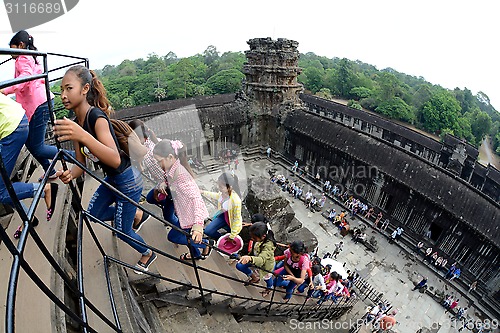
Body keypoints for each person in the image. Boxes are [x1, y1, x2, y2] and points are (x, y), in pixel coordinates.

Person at [54, 65, 155, 274]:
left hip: (127, 180)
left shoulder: (96, 117)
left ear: (84, 89)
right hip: (113, 180)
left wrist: (83, 136)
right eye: (61, 90)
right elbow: (81, 163)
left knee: (121, 230)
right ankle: (135, 214)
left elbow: (115, 159)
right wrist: (69, 174)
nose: (63, 95)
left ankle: (147, 253)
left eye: (69, 88)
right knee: (93, 214)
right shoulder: (77, 122)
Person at [1, 30, 74, 181]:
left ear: (20, 45)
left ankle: (76, 159)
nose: (10, 54)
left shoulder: (22, 58)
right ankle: (51, 170)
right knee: (30, 143)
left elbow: (25, 78)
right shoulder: (31, 56)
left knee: (37, 146)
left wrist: (6, 89)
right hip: (42, 102)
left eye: (12, 48)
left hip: (38, 104)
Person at [0, 94, 58, 238]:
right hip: (17, 120)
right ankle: (28, 216)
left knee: (0, 190)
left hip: (11, 128)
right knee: (2, 183)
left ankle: (45, 189)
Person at [149, 140, 213, 260]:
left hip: (190, 215)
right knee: (182, 235)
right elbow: (169, 179)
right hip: (183, 212)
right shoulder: (172, 167)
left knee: (174, 237)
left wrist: (198, 226)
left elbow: (196, 199)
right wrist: (164, 184)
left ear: (170, 157)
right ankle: (196, 253)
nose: (158, 165)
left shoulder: (182, 176)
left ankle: (205, 243)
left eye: (159, 161)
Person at [202, 172, 242, 241]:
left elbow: (236, 219)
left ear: (229, 187)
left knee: (231, 236)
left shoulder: (236, 201)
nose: (219, 188)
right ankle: (221, 239)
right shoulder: (223, 193)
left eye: (221, 187)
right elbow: (216, 195)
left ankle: (226, 239)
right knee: (207, 231)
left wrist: (232, 235)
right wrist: (203, 192)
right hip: (223, 216)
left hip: (231, 221)